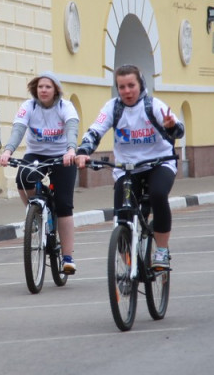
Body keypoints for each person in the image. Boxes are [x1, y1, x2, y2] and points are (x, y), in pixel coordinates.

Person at [75, 64, 184, 271]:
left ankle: (161, 250)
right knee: (121, 216)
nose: (127, 91)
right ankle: (128, 269)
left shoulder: (153, 105)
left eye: (131, 85)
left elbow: (178, 132)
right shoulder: (112, 108)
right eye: (122, 87)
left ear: (140, 84)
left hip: (159, 163)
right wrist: (83, 152)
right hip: (127, 168)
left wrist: (171, 126)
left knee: (158, 195)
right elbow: (95, 131)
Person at [0, 73, 80, 274]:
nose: (43, 90)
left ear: (55, 90)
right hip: (36, 154)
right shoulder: (29, 106)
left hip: (62, 156)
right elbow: (18, 129)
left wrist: (70, 150)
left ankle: (67, 258)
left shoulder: (65, 107)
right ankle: (35, 214)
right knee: (23, 179)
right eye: (40, 86)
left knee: (64, 205)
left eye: (48, 87)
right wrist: (7, 151)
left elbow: (71, 128)